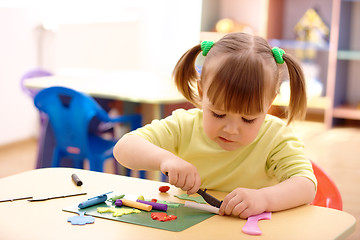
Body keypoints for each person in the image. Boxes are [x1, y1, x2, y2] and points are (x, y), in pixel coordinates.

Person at [113, 32, 317, 219]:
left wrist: (263, 199)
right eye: (218, 114)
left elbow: (306, 185)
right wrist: (166, 159)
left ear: (269, 103)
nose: (231, 129)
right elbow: (124, 148)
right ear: (202, 93)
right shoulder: (185, 126)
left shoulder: (275, 136)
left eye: (248, 119)